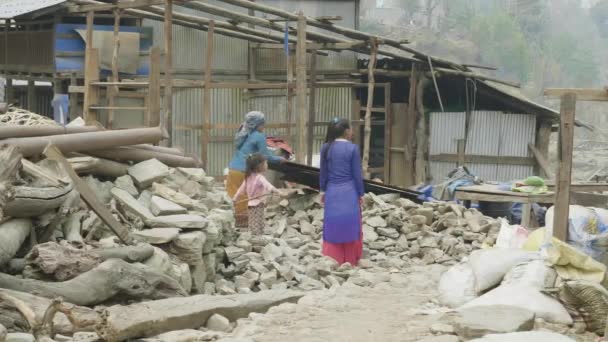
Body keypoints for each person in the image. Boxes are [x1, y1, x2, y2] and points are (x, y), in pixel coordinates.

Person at [226, 111, 285, 228]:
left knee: (234, 197)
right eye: (263, 124)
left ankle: (233, 223)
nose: (264, 126)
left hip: (232, 170)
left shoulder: (244, 134)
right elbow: (265, 156)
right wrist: (280, 159)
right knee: (246, 198)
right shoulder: (259, 136)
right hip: (244, 171)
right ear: (258, 125)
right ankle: (244, 227)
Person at [320, 118, 364, 265]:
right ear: (346, 132)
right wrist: (361, 193)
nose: (352, 131)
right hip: (349, 191)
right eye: (351, 129)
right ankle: (351, 259)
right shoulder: (353, 149)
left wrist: (322, 191)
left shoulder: (326, 147)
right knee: (350, 224)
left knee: (333, 224)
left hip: (332, 191)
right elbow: (357, 174)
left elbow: (323, 173)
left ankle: (333, 258)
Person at [232, 153, 283, 235]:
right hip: (258, 204)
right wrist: (278, 191)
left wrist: (235, 199)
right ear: (259, 166)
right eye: (265, 163)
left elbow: (240, 190)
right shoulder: (260, 178)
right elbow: (268, 186)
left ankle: (254, 236)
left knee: (253, 222)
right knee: (259, 222)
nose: (267, 165)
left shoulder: (248, 177)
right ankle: (256, 238)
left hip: (250, 204)